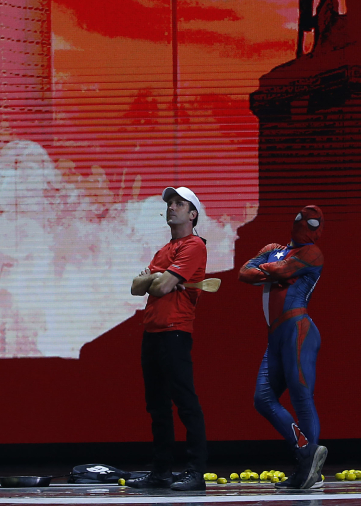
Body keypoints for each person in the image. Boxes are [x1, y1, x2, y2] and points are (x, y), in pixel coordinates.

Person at [238, 206, 327, 489]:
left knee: (301, 395)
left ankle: (307, 471)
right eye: (304, 218)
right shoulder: (273, 248)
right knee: (263, 399)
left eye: (314, 222)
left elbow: (272, 271)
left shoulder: (313, 253)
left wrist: (270, 272)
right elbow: (243, 273)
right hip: (276, 334)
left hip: (298, 329)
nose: (307, 225)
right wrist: (276, 272)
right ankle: (305, 453)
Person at [127, 187, 208, 492]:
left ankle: (195, 471)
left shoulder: (194, 245)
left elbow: (160, 287)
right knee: (157, 406)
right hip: (152, 332)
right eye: (170, 203)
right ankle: (161, 471)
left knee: (185, 403)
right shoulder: (164, 250)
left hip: (175, 331)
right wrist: (157, 278)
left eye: (179, 204)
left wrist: (155, 279)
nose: (171, 207)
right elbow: (138, 287)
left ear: (192, 214)